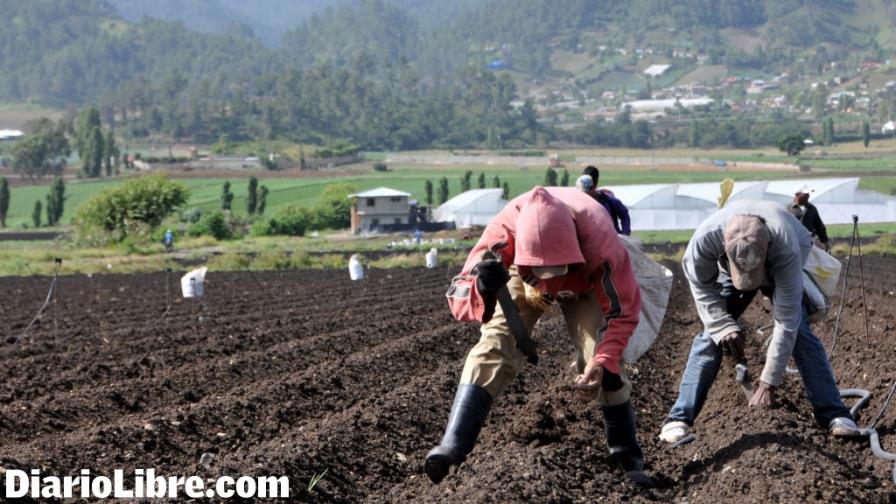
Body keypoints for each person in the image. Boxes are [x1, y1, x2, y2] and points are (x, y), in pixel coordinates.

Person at [425, 186, 650, 485]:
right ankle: (453, 446)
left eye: (556, 272)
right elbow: (460, 292)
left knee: (600, 357)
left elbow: (621, 310)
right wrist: (482, 285)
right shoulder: (503, 233)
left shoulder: (602, 243)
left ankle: (627, 457)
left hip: (584, 279)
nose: (550, 286)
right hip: (521, 275)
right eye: (542, 273)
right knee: (494, 343)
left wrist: (603, 359)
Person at [659, 200, 858, 444]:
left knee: (800, 332)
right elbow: (701, 288)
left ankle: (835, 413)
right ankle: (679, 418)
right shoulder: (705, 240)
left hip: (783, 263)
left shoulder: (786, 246)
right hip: (729, 271)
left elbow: (787, 321)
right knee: (710, 338)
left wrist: (768, 382)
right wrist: (722, 326)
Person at [579, 166, 631, 235]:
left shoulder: (609, 201)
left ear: (595, 184)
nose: (585, 194)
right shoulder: (579, 204)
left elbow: (624, 214)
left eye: (588, 188)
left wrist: (625, 234)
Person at [789, 184, 830, 251]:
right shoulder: (788, 209)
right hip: (793, 244)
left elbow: (819, 226)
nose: (808, 196)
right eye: (805, 194)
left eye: (808, 194)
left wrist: (825, 242)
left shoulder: (812, 209)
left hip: (809, 243)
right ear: (797, 194)